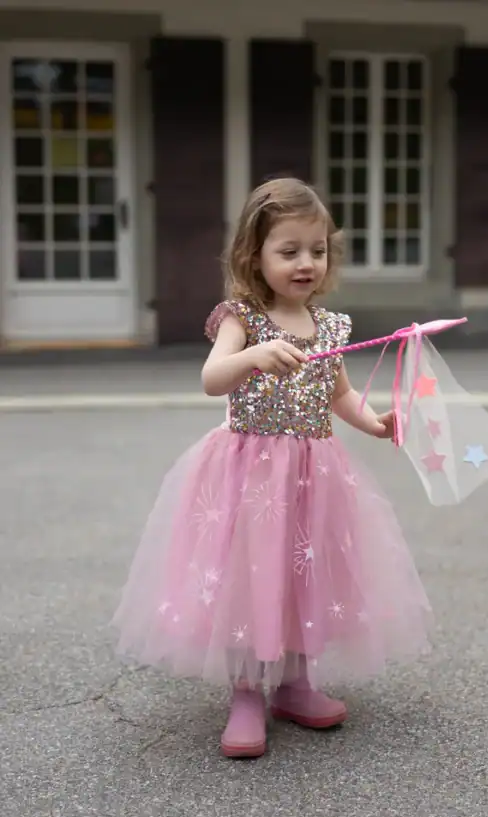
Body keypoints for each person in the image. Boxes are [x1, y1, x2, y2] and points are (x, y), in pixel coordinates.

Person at [112, 177, 432, 758]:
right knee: (250, 575)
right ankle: (246, 692)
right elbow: (213, 380)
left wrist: (374, 422)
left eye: (317, 249)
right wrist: (253, 355)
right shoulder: (244, 318)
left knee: (304, 576)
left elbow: (338, 396)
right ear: (254, 256)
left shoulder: (331, 327)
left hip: (314, 475)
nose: (306, 262)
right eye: (289, 251)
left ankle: (294, 682)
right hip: (250, 474)